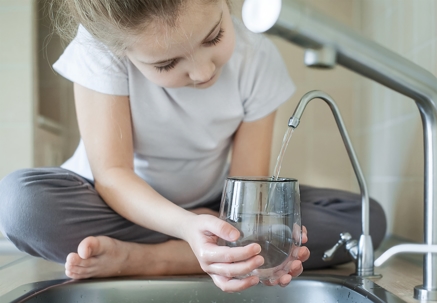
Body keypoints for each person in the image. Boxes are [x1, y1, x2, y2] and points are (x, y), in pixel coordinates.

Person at [0, 0, 386, 293]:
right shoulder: (98, 49)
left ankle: (147, 260)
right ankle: (197, 250)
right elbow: (113, 176)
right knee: (23, 206)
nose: (203, 73)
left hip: (217, 207)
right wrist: (187, 225)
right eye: (167, 64)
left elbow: (249, 190)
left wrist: (249, 231)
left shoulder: (258, 59)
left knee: (366, 219)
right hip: (114, 205)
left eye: (214, 37)